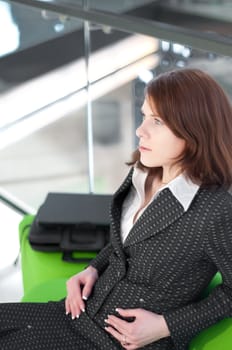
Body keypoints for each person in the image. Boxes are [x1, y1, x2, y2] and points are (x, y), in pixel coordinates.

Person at [1, 68, 232, 350]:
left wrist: (165, 326)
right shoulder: (144, 172)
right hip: (82, 313)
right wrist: (92, 269)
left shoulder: (215, 209)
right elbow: (125, 245)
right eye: (145, 115)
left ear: (194, 129)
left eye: (157, 121)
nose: (140, 130)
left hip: (121, 342)